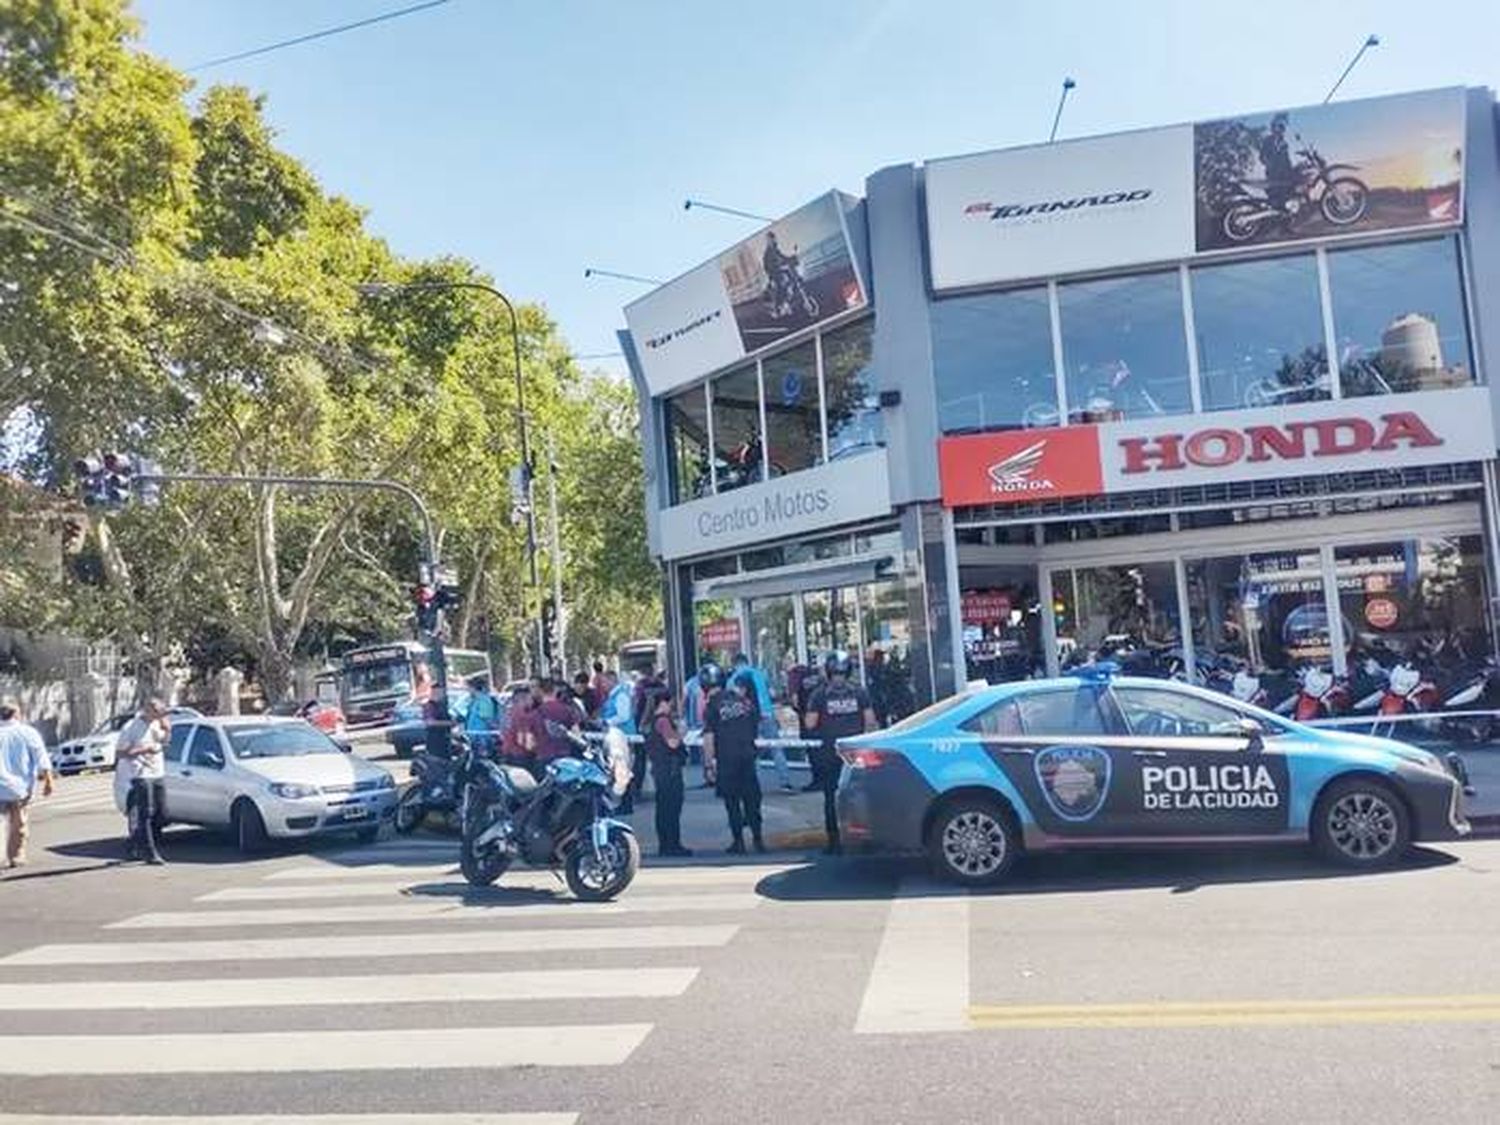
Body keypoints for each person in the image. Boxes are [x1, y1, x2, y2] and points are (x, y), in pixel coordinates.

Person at [805, 651, 875, 856]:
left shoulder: (819, 694)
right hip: (855, 753)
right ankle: (865, 840)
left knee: (831, 798)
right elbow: (870, 722)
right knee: (861, 797)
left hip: (830, 753)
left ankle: (834, 841)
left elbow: (810, 723)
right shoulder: (859, 692)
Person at [703, 664, 765, 855]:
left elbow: (709, 737)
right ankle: (758, 839)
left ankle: (738, 841)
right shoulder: (742, 700)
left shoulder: (712, 706)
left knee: (732, 802)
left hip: (727, 759)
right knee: (751, 800)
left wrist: (708, 764)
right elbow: (756, 722)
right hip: (747, 757)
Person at [114, 696, 171, 865]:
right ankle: (150, 852)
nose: (161, 716)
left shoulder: (157, 723)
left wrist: (168, 730)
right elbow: (120, 753)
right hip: (140, 773)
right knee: (146, 812)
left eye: (162, 713)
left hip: (157, 772)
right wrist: (142, 750)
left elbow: (165, 742)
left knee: (161, 812)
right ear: (148, 710)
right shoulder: (131, 727)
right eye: (158, 713)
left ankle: (134, 841)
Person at [0, 697, 54, 869]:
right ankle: (16, 856)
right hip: (20, 788)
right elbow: (41, 757)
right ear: (17, 714)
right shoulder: (28, 732)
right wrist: (48, 781)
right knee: (19, 823)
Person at [643, 684, 691, 858]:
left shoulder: (649, 722)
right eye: (669, 702)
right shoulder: (663, 721)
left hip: (659, 768)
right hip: (670, 769)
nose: (671, 706)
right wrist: (682, 733)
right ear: (662, 703)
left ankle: (666, 844)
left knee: (663, 808)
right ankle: (673, 844)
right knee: (671, 808)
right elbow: (673, 743)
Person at [731, 652, 791, 792]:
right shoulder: (759, 673)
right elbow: (772, 693)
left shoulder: (734, 678)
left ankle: (754, 783)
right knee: (776, 748)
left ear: (735, 663)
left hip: (749, 717)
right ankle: (785, 781)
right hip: (767, 713)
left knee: (752, 748)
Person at [532, 678, 585, 768]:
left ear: (540, 691)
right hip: (564, 755)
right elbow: (577, 734)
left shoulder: (536, 712)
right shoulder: (566, 710)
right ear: (555, 691)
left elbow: (532, 740)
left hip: (544, 756)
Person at [1258, 112, 1297, 218]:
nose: (1280, 129)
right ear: (1273, 128)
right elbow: (1262, 156)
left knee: (1288, 197)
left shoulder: (1284, 143)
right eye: (1278, 127)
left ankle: (1288, 221)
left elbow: (1287, 159)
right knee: (1277, 199)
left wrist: (1292, 169)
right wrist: (1268, 163)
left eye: (1282, 128)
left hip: (1285, 173)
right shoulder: (1268, 140)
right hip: (1273, 174)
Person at [500, 685, 539, 775]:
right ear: (523, 699)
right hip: (520, 756)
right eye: (530, 698)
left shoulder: (507, 712)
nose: (532, 701)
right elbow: (522, 741)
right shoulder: (522, 716)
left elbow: (502, 733)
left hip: (507, 753)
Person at [463, 673, 502, 757]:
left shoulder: (484, 701)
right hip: (473, 738)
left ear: (474, 688)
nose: (468, 690)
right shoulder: (475, 700)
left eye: (469, 688)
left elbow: (488, 720)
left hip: (481, 739)